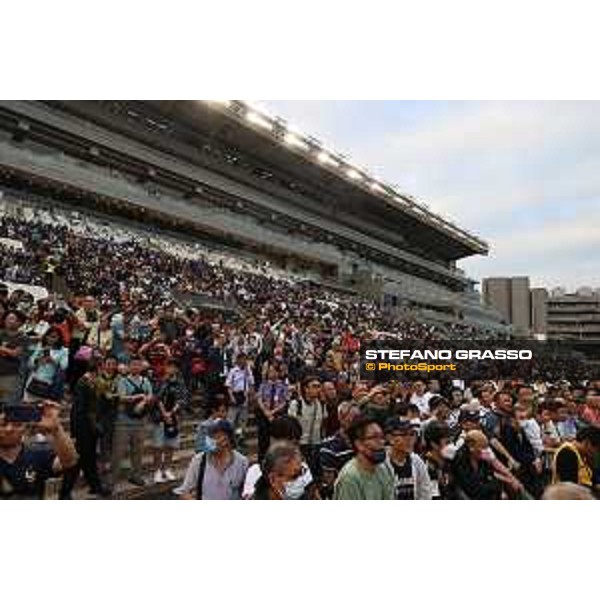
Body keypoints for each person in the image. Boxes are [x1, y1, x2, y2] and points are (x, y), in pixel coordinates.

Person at [0, 400, 78, 499]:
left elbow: (69, 462)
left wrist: (56, 429)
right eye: (3, 424)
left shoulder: (37, 453)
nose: (9, 429)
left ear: (25, 429)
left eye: (17, 425)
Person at [60, 360, 109, 498]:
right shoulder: (83, 383)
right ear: (98, 368)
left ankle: (95, 487)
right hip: (83, 429)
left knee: (89, 459)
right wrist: (78, 431)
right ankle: (65, 493)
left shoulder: (92, 382)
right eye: (103, 367)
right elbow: (79, 410)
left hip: (90, 428)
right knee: (77, 460)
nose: (105, 370)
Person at [243, 415, 316, 499]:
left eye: (295, 444)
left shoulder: (303, 467)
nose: (293, 449)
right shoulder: (255, 473)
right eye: (287, 444)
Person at [175, 419, 248, 499]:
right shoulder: (198, 461)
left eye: (213, 437)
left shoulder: (242, 462)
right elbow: (184, 493)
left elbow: (246, 493)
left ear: (226, 440)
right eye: (208, 436)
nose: (208, 440)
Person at [110, 356, 153, 488]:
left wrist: (143, 402)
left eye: (138, 365)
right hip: (124, 422)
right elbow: (122, 397)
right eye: (133, 365)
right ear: (129, 366)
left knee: (138, 451)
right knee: (118, 451)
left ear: (141, 367)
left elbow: (150, 396)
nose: (135, 367)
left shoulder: (145, 380)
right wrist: (139, 396)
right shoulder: (122, 381)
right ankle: (112, 479)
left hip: (140, 422)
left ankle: (136, 475)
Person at [333, 416, 395, 500]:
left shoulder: (384, 469)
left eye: (382, 437)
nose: (381, 442)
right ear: (359, 444)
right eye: (374, 437)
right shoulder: (350, 478)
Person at [451, 430, 523, 500]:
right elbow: (474, 489)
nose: (484, 451)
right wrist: (498, 488)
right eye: (481, 448)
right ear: (471, 446)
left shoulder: (481, 459)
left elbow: (490, 474)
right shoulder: (460, 461)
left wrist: (510, 481)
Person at [151, 359, 186, 483]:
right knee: (158, 446)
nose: (170, 369)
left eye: (173, 367)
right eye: (168, 366)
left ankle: (167, 468)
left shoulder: (180, 383)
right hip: (160, 417)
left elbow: (182, 399)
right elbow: (157, 398)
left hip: (174, 418)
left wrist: (171, 413)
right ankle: (157, 471)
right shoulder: (160, 381)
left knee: (170, 445)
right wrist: (164, 413)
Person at [318, 401, 360, 499]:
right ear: (341, 418)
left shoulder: (365, 442)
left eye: (359, 417)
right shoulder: (329, 447)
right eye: (354, 417)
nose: (358, 421)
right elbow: (330, 483)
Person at [385, 417, 433, 500]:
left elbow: (425, 493)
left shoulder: (416, 461)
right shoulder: (381, 463)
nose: (409, 439)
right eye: (403, 435)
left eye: (412, 434)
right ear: (390, 438)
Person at [288, 375, 324, 476]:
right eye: (314, 386)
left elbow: (322, 424)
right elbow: (291, 427)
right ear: (306, 388)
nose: (318, 389)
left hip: (316, 444)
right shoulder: (296, 404)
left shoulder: (320, 403)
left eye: (319, 386)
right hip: (300, 446)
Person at [25, 327, 68, 402]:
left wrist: (52, 360)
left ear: (59, 338)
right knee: (28, 405)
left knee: (44, 407)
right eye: (49, 336)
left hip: (49, 383)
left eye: (54, 337)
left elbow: (64, 366)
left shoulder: (63, 350)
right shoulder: (40, 346)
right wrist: (37, 360)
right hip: (34, 380)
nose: (50, 339)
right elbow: (30, 364)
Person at [255, 364, 288, 461]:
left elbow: (284, 401)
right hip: (264, 414)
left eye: (273, 371)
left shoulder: (282, 385)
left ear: (278, 372)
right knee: (263, 439)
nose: (271, 373)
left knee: (277, 439)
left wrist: (272, 412)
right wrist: (266, 412)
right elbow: (259, 399)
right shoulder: (263, 384)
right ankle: (261, 460)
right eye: (269, 371)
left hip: (277, 415)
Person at [552, 425, 600, 491]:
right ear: (587, 442)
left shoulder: (584, 454)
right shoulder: (567, 453)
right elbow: (570, 486)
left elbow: (593, 479)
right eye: (596, 449)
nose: (595, 453)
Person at [423, 421, 456, 499]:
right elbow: (434, 496)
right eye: (447, 442)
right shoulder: (426, 467)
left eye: (452, 441)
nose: (451, 446)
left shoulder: (449, 462)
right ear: (434, 444)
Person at [225, 352, 254, 441]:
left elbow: (251, 384)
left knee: (242, 420)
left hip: (244, 397)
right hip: (235, 395)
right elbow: (228, 385)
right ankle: (230, 437)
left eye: (245, 359)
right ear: (238, 360)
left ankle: (240, 437)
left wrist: (250, 396)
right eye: (242, 359)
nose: (244, 361)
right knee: (231, 419)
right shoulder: (233, 371)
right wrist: (231, 397)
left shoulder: (248, 371)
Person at [0, 310, 27, 403]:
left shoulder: (22, 337)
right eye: (7, 318)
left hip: (10, 374)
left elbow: (15, 353)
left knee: (6, 402)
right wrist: (6, 350)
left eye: (12, 319)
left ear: (19, 322)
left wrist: (4, 350)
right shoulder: (1, 333)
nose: (8, 321)